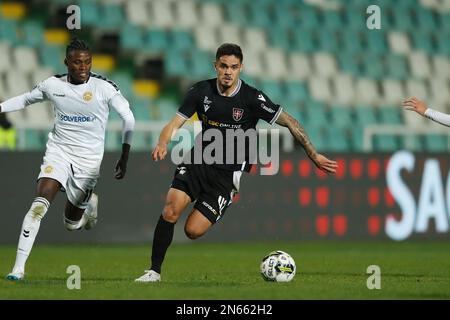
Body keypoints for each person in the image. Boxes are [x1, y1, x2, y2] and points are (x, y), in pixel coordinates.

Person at [135, 43, 337, 282]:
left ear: (241, 68)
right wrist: (162, 142)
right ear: (216, 66)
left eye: (233, 67)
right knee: (170, 210)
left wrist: (313, 154)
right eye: (223, 66)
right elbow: (174, 123)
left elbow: (291, 121)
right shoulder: (201, 91)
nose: (228, 72)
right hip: (198, 162)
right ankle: (154, 272)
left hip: (226, 176)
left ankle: (217, 202)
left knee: (192, 231)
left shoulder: (252, 98)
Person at [0, 39, 135, 281]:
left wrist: (125, 155)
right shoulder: (53, 85)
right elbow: (24, 99)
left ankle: (89, 206)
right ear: (66, 62)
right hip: (59, 153)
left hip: (88, 162)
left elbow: (128, 117)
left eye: (87, 62)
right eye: (77, 62)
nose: (83, 67)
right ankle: (18, 269)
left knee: (71, 225)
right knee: (39, 205)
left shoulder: (104, 88)